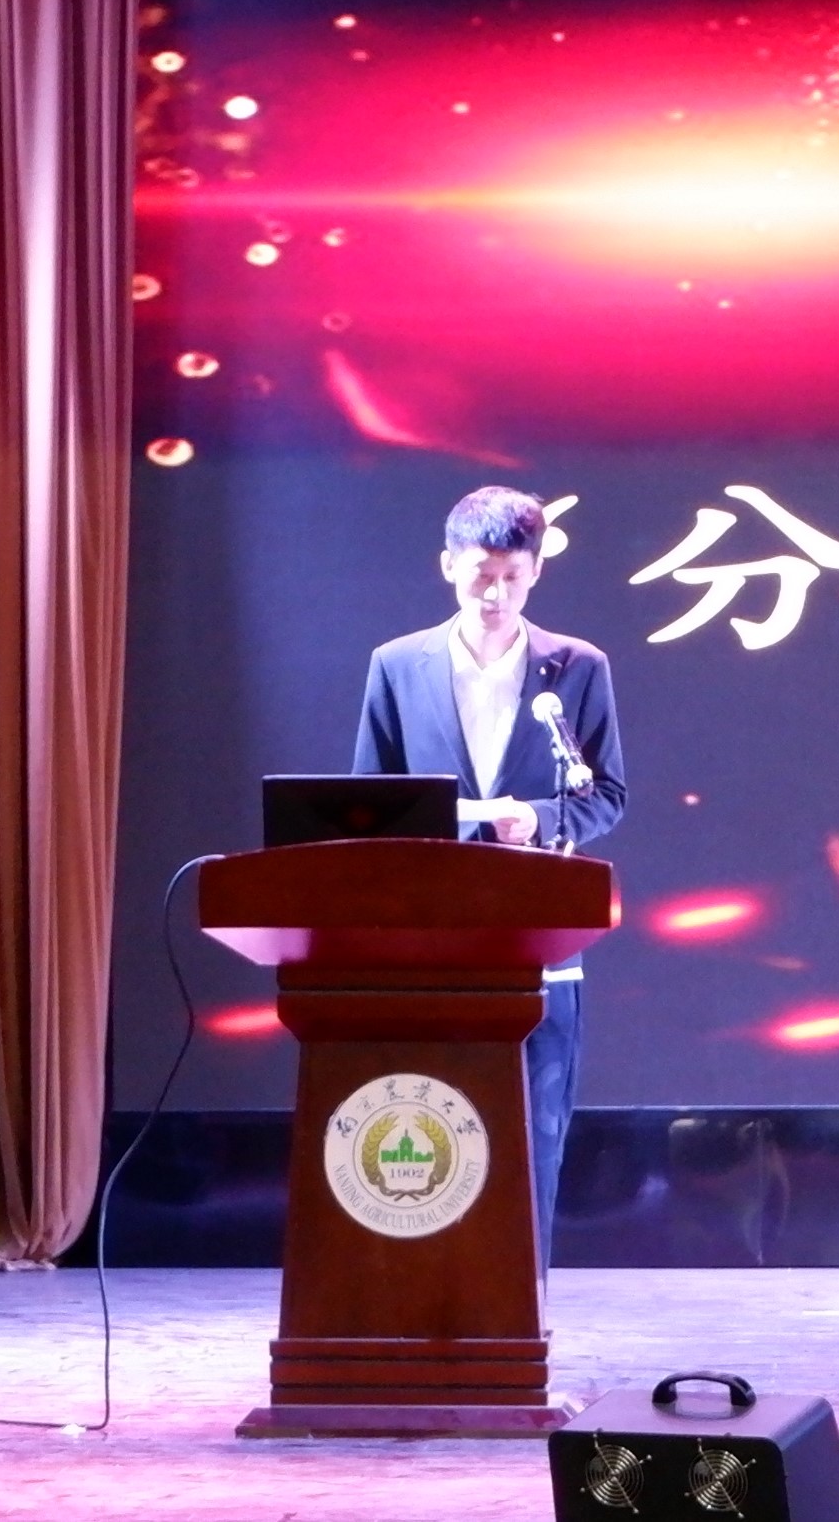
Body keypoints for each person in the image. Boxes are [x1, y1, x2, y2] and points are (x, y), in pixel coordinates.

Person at [351, 485, 627, 1260]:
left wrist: (534, 818)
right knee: (428, 1117)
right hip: (428, 935)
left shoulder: (577, 668)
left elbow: (605, 795)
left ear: (536, 572)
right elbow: (367, 802)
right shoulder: (397, 665)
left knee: (534, 1128)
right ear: (448, 565)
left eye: (512, 577)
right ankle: (424, 1285)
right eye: (481, 575)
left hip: (537, 936)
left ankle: (520, 1298)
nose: (495, 595)